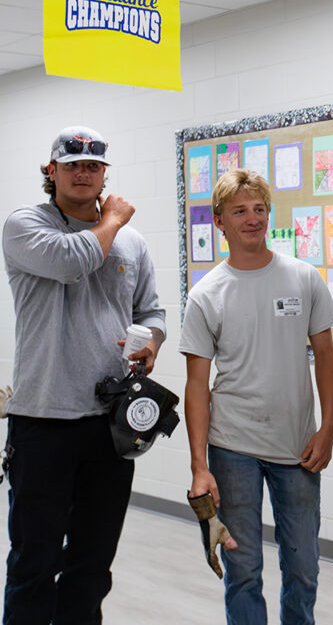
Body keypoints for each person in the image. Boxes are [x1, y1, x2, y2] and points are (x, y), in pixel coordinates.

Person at [2, 126, 166, 624]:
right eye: (71, 165)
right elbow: (70, 262)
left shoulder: (131, 242)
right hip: (43, 420)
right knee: (34, 561)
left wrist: (152, 342)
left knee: (92, 563)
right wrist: (112, 219)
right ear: (51, 172)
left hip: (108, 426)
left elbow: (152, 310)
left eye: (93, 166)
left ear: (104, 174)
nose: (83, 173)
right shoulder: (25, 225)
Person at [180, 169, 333, 625]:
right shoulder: (206, 294)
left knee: (304, 569)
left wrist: (329, 427)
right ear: (219, 221)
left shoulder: (303, 278)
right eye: (239, 211)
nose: (252, 219)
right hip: (232, 448)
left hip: (298, 447)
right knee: (243, 569)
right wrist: (199, 465)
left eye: (259, 209)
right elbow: (196, 385)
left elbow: (325, 357)